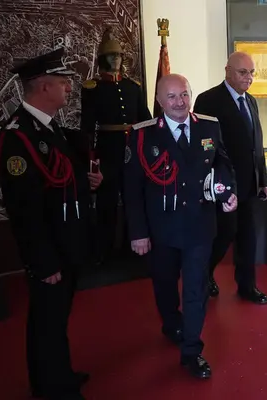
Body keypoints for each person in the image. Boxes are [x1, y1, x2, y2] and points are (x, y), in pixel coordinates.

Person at [0, 48, 103, 400]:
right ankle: (51, 387)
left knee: (57, 320)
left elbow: (59, 178)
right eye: (63, 82)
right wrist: (43, 261)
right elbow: (25, 210)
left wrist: (86, 182)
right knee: (46, 321)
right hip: (50, 252)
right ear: (43, 87)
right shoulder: (18, 137)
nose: (69, 89)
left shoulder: (48, 127)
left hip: (66, 242)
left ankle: (58, 376)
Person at [123, 73, 237, 379]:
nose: (179, 102)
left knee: (196, 289)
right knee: (164, 284)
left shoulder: (208, 126)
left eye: (184, 94)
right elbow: (132, 190)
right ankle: (172, 322)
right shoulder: (142, 135)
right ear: (159, 102)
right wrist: (138, 232)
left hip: (200, 224)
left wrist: (228, 192)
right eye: (171, 97)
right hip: (161, 229)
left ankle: (192, 350)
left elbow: (222, 164)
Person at [193, 51, 267, 305]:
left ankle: (247, 286)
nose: (248, 78)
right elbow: (204, 147)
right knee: (223, 234)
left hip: (249, 184)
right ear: (227, 71)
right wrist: (215, 184)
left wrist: (263, 181)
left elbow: (256, 145)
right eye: (242, 72)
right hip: (223, 185)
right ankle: (203, 276)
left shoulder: (251, 101)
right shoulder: (208, 100)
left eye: (251, 73)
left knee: (248, 238)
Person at [80, 27, 152, 264]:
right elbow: (88, 126)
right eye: (112, 56)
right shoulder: (93, 88)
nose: (117, 59)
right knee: (106, 203)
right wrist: (91, 158)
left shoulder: (134, 87)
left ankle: (133, 249)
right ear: (103, 59)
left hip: (132, 151)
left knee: (133, 198)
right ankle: (105, 252)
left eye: (119, 55)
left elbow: (144, 120)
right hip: (107, 151)